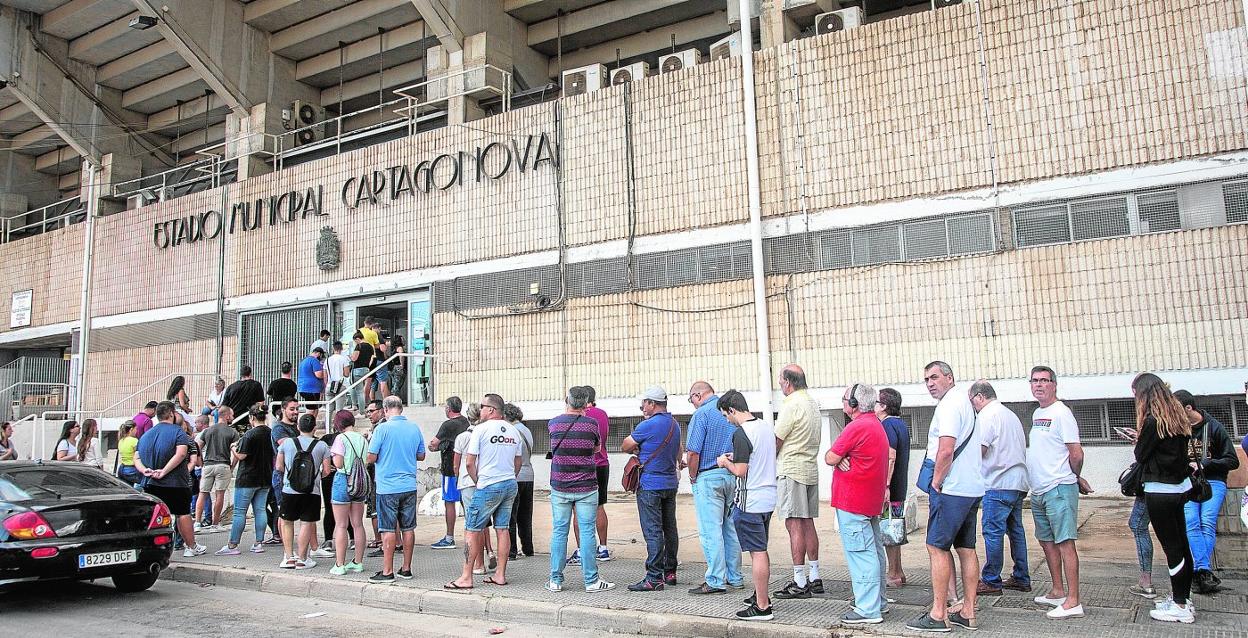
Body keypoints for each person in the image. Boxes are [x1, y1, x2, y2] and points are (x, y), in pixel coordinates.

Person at [906, 361, 983, 633]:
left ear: (949, 378)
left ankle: (938, 614)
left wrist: (937, 481)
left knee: (936, 547)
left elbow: (946, 449)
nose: (930, 383)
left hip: (951, 489)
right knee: (966, 548)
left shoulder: (950, 405)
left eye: (935, 377)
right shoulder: (966, 403)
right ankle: (968, 612)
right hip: (971, 488)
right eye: (926, 379)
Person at [1132, 372, 1196, 624]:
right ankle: (1183, 597)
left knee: (1171, 548)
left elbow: (1141, 455)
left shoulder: (1152, 423)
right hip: (1179, 489)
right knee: (1181, 544)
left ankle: (1179, 605)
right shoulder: (1177, 419)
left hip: (1159, 490)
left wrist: (1138, 439)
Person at [1026, 365, 1089, 620]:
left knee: (1065, 543)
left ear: (1054, 384)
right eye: (1034, 381)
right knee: (1047, 542)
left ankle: (1073, 600)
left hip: (1059, 488)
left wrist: (1074, 477)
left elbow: (1076, 452)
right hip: (1040, 490)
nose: (1039, 385)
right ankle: (1057, 590)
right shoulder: (1037, 413)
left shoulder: (1062, 414)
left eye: (1044, 380)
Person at [826, 383, 890, 625]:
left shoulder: (857, 426)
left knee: (861, 554)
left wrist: (840, 457)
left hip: (853, 500)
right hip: (868, 500)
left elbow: (830, 456)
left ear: (854, 404)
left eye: (844, 399)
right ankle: (877, 602)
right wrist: (842, 457)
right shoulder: (876, 425)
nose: (843, 403)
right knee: (873, 552)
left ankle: (867, 608)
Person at [446, 394, 521, 589]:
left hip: (488, 484)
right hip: (509, 483)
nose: (480, 410)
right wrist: (509, 477)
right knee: (502, 529)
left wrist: (479, 482)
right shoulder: (514, 431)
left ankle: (466, 577)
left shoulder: (480, 430)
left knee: (472, 529)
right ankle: (500, 575)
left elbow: (470, 462)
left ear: (491, 410)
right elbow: (518, 462)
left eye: (482, 406)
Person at [545, 386, 615, 593]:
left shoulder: (553, 423)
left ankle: (555, 580)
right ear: (586, 403)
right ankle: (591, 580)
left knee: (559, 531)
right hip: (586, 485)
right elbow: (596, 448)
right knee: (587, 532)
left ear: (567, 400)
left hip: (559, 485)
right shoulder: (592, 424)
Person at [717, 390, 777, 622]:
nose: (727, 420)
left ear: (732, 410)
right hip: (768, 497)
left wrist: (725, 463)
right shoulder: (764, 426)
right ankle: (761, 595)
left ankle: (762, 606)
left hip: (749, 499)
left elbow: (741, 471)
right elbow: (756, 457)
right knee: (761, 549)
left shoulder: (741, 433)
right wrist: (738, 457)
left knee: (757, 552)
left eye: (726, 415)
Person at [1173, 390, 1239, 594]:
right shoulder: (1177, 431)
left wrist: (1205, 464)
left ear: (1188, 408)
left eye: (1177, 410)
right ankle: (1204, 572)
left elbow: (1232, 460)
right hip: (1187, 483)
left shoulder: (1215, 427)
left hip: (1213, 481)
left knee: (1207, 521)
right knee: (1192, 521)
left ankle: (1199, 571)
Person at [970, 380, 1031, 596]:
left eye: (972, 402)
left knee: (992, 531)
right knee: (1016, 531)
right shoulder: (1009, 414)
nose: (973, 407)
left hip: (997, 483)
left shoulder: (987, 416)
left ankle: (991, 580)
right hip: (1018, 481)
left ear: (979, 397)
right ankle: (1021, 576)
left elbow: (980, 450)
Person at [685, 380, 742, 594]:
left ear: (698, 396)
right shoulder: (728, 410)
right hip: (731, 474)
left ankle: (715, 579)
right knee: (730, 528)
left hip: (708, 477)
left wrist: (692, 476)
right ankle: (735, 577)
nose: (692, 404)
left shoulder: (702, 414)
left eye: (691, 399)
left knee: (710, 531)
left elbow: (693, 453)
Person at [623, 385, 682, 592]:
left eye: (644, 404)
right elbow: (678, 450)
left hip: (650, 484)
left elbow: (625, 445)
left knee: (653, 530)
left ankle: (654, 577)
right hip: (670, 483)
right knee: (669, 528)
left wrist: (638, 446)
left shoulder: (647, 425)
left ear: (651, 403)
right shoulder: (675, 424)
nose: (643, 408)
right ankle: (670, 571)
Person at [772, 364, 823, 600]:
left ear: (788, 382)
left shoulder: (791, 404)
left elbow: (777, 439)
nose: (780, 384)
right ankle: (814, 575)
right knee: (808, 522)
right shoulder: (811, 403)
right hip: (810, 468)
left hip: (792, 468)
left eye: (781, 380)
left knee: (794, 524)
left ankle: (799, 580)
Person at [367, 396, 427, 582]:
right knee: (408, 528)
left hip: (387, 487)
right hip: (409, 485)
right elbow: (422, 455)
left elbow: (371, 457)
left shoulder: (382, 429)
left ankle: (387, 571)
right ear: (401, 409)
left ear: (385, 410)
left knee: (388, 529)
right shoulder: (414, 428)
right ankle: (406, 568)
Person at [134, 401, 204, 557]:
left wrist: (144, 470)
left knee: (154, 516)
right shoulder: (178, 432)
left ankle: (150, 547)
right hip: (175, 483)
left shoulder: (147, 434)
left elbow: (136, 457)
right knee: (182, 513)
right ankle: (191, 546)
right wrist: (164, 471)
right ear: (171, 414)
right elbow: (180, 454)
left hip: (150, 482)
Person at [275, 413, 332, 569]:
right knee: (306, 523)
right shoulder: (322, 446)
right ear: (314, 428)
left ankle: (288, 557)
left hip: (289, 489)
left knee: (287, 522)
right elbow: (327, 471)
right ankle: (302, 558)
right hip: (311, 491)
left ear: (298, 427)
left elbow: (279, 467)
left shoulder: (286, 444)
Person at [217, 407, 275, 555]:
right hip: (265, 476)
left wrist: (232, 448)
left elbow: (242, 455)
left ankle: (233, 545)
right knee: (260, 510)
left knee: (239, 512)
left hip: (248, 478)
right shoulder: (271, 433)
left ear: (251, 417)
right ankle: (258, 543)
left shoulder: (250, 435)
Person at [876, 388, 910, 588]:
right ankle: (899, 571)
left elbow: (890, 456)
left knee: (888, 529)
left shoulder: (887, 425)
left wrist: (885, 485)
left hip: (891, 487)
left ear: (883, 406)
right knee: (894, 528)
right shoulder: (900, 424)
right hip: (899, 487)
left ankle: (894, 573)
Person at [575, 385, 612, 563]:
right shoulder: (603, 414)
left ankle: (581, 550)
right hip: (602, 463)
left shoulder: (581, 415)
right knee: (599, 506)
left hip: (584, 465)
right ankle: (603, 548)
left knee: (576, 507)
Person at [329, 409, 369, 576]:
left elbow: (338, 463)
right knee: (358, 524)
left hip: (343, 480)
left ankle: (340, 564)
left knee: (341, 525)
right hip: (360, 481)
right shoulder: (363, 438)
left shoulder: (340, 438)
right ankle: (358, 562)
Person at [454, 402, 492, 572]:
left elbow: (457, 465)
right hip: (484, 480)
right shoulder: (487, 435)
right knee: (483, 522)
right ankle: (487, 555)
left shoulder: (462, 437)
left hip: (468, 481)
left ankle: (477, 564)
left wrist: (457, 480)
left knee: (471, 525)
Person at [429, 396, 469, 549]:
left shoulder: (447, 425)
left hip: (450, 468)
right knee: (466, 502)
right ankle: (470, 534)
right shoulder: (466, 422)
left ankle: (449, 537)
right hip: (465, 468)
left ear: (448, 408)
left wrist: (437, 447)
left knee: (449, 502)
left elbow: (433, 444)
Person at [197, 407, 240, 532]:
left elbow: (198, 445)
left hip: (208, 464)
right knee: (219, 494)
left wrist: (201, 461)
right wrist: (232, 466)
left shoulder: (208, 430)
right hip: (223, 464)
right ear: (226, 416)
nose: (232, 417)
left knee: (203, 493)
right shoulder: (232, 432)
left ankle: (197, 522)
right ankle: (215, 524)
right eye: (231, 415)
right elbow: (236, 451)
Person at [266, 399, 301, 545]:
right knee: (284, 512)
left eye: (297, 409)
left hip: (296, 473)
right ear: (283, 409)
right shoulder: (278, 428)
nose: (296, 412)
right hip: (282, 475)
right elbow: (288, 446)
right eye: (292, 409)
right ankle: (285, 546)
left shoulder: (296, 428)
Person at [504, 402, 536, 560]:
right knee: (525, 514)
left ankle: (511, 550)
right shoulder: (526, 430)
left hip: (515, 474)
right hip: (529, 474)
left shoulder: (510, 431)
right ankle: (528, 547)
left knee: (511, 515)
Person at [350, 332, 375, 410]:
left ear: (358, 339)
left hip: (357, 369)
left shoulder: (359, 346)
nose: (355, 343)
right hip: (366, 369)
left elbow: (354, 358)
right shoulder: (370, 347)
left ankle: (360, 410)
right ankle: (358, 407)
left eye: (355, 341)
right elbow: (371, 359)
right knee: (360, 389)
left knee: (359, 391)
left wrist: (350, 357)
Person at [325, 341, 351, 411]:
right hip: (340, 385)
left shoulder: (327, 360)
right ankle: (338, 422)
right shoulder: (344, 359)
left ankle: (328, 422)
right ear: (341, 349)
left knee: (329, 410)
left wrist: (326, 385)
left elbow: (325, 375)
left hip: (329, 385)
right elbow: (346, 374)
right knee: (339, 410)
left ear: (333, 348)